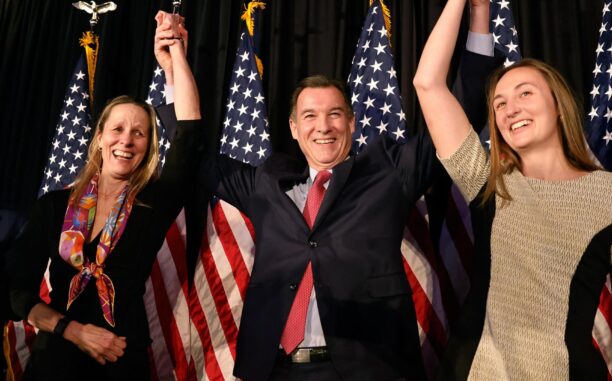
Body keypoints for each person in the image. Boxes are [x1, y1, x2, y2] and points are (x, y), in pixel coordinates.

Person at [154, 2, 499, 380]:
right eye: (310, 117)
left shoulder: (389, 171)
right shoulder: (266, 183)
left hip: (369, 369)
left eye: (335, 114)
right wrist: (174, 68)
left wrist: (479, 13)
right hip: (274, 370)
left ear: (351, 122)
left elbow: (459, 109)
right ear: (293, 128)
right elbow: (193, 153)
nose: (324, 126)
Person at [413, 0, 612, 380]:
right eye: (499, 103)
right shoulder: (488, 180)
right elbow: (427, 84)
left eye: (525, 93)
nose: (511, 108)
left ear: (557, 106)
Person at [8, 12, 201, 380]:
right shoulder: (53, 205)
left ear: (149, 146)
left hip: (120, 363)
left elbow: (189, 135)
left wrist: (174, 56)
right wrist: (74, 331)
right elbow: (17, 292)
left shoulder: (153, 204)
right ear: (99, 137)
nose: (126, 140)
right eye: (117, 129)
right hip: (54, 362)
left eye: (139, 133)